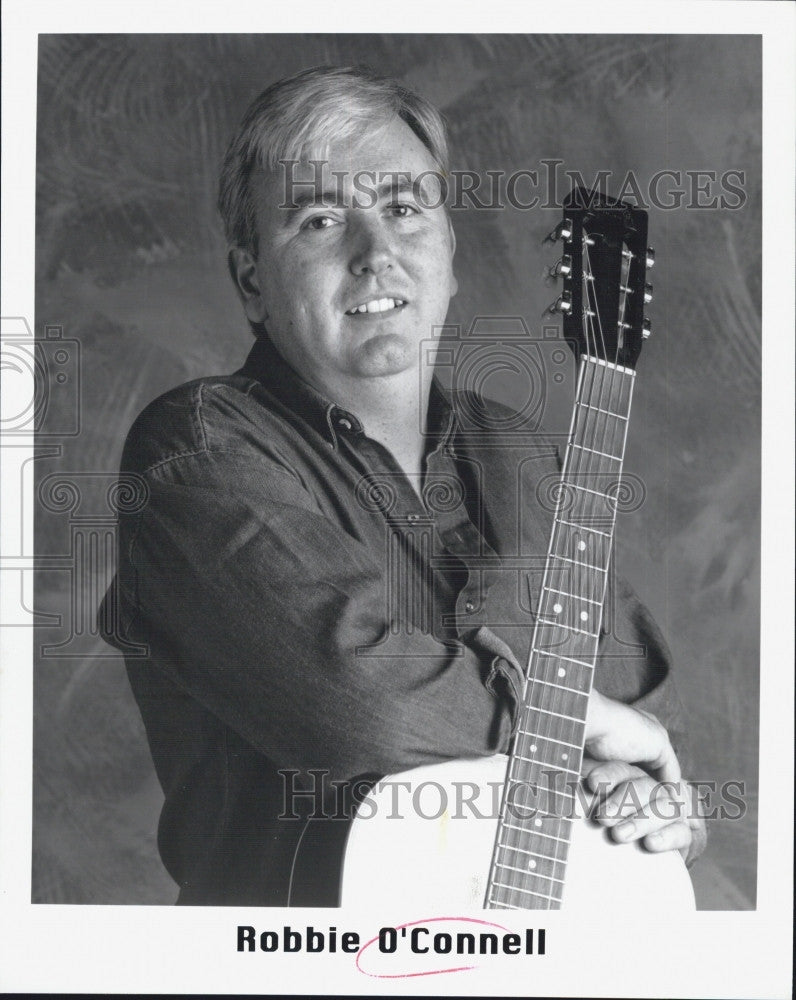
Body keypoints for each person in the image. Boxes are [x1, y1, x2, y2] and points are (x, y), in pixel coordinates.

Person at [100, 65, 706, 906]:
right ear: (250, 282)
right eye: (320, 219)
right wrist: (574, 719)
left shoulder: (527, 457)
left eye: (405, 208)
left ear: (450, 255)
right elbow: (356, 704)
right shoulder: (197, 450)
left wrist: (654, 806)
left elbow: (644, 738)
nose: (375, 253)